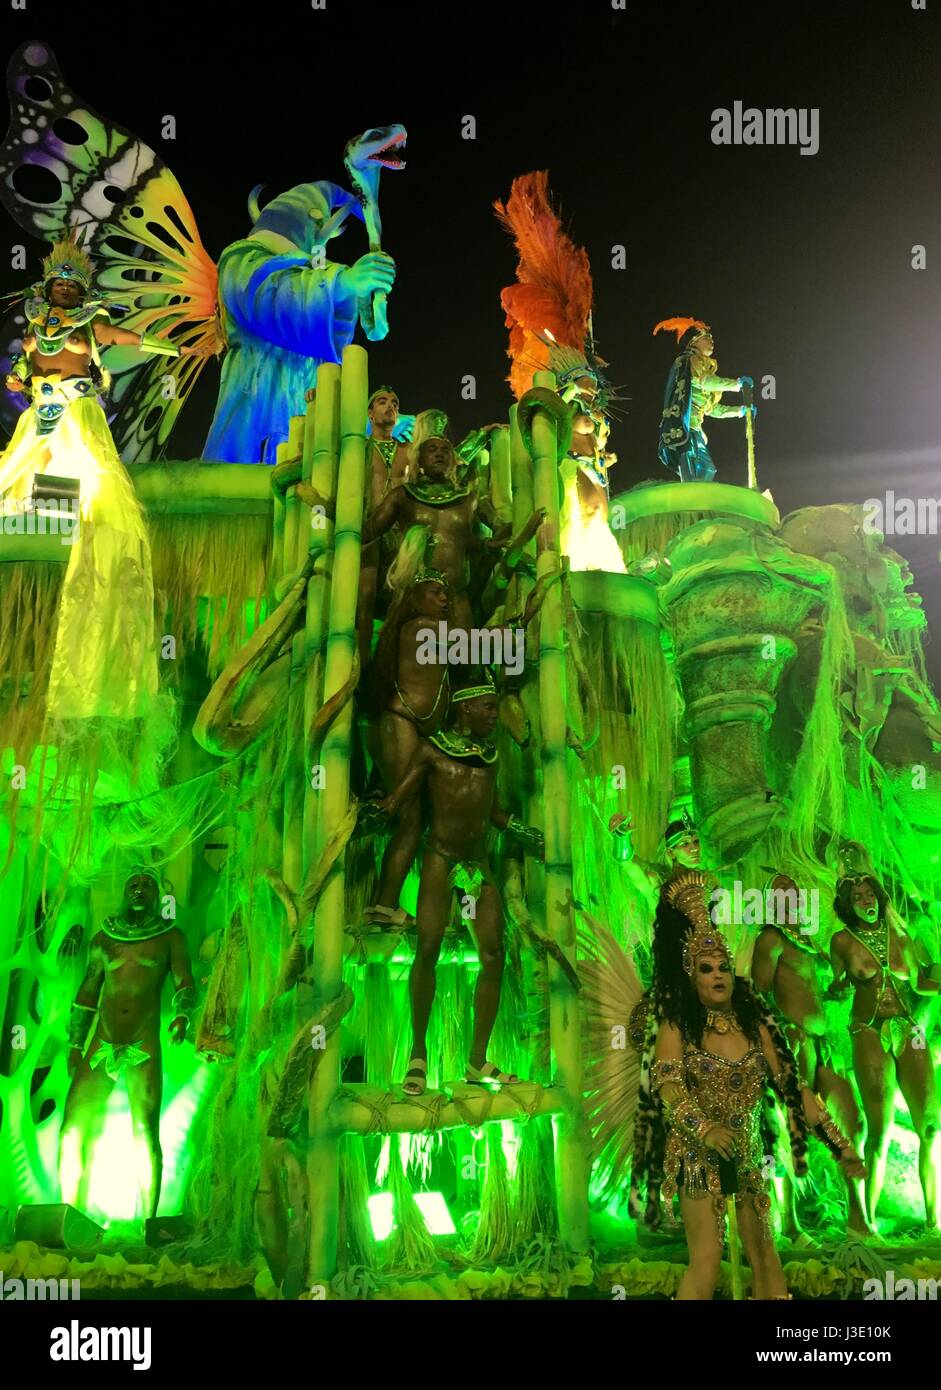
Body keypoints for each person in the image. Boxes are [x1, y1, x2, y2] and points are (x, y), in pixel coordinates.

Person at [1, 235, 193, 727]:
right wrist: (20, 378)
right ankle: (42, 538)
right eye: (58, 284)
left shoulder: (92, 324)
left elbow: (126, 340)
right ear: (47, 287)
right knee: (14, 490)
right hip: (37, 420)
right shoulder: (33, 326)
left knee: (101, 501)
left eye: (72, 286)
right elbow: (24, 370)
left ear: (82, 293)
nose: (64, 291)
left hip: (79, 418)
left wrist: (171, 347)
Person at [648, 871, 848, 1299]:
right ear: (692, 975)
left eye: (723, 966)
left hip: (750, 1156)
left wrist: (838, 1144)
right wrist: (706, 1130)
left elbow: (791, 1085)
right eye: (706, 969)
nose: (718, 975)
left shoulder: (754, 1024)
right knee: (707, 1259)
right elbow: (666, 1087)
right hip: (698, 1156)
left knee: (764, 1253)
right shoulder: (677, 1024)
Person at [377, 670, 543, 1095]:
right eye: (488, 708)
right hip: (440, 861)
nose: (494, 716)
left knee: (492, 953)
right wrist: (379, 810)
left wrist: (529, 834)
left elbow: (496, 814)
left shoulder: (490, 757)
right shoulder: (432, 752)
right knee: (428, 948)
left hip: (475, 866)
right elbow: (400, 798)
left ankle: (477, 1060)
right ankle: (417, 1055)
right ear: (465, 708)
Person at [59, 871, 195, 1221]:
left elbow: (184, 982)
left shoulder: (170, 938)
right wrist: (76, 1043)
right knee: (73, 1126)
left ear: (156, 894)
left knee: (145, 1131)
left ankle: (148, 1222)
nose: (139, 890)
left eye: (147, 885)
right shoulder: (104, 940)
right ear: (124, 892)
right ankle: (69, 1215)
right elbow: (88, 992)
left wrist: (182, 1016)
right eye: (132, 884)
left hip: (142, 1042)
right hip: (103, 1039)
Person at [751, 871, 871, 1238]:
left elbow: (811, 990)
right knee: (791, 1131)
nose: (791, 898)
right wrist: (782, 1034)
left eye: (794, 892)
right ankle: (788, 1225)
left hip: (824, 1046)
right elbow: (756, 994)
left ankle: (858, 1219)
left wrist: (835, 991)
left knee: (854, 1121)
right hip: (793, 1045)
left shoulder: (808, 943)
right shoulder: (770, 940)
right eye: (782, 893)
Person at [829, 874, 941, 1232]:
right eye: (858, 897)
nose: (866, 901)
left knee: (931, 1127)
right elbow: (838, 985)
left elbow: (921, 984)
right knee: (880, 1131)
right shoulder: (842, 941)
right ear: (848, 906)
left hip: (909, 1029)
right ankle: (868, 1222)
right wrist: (835, 987)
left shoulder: (901, 937)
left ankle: (932, 1222)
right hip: (868, 1030)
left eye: (869, 894)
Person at [364, 570, 451, 928]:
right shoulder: (420, 629)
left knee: (418, 820)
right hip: (400, 724)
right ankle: (383, 907)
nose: (444, 599)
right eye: (436, 593)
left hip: (414, 730)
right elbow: (477, 645)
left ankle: (385, 905)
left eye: (446, 594)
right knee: (411, 819)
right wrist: (516, 633)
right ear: (416, 598)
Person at [653, 318, 754, 482]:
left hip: (694, 429)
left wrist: (740, 411)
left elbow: (711, 408)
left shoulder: (703, 367)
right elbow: (706, 382)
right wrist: (736, 385)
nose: (711, 342)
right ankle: (691, 502)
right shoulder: (688, 361)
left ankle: (696, 499)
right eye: (706, 338)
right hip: (685, 427)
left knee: (707, 469)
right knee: (693, 471)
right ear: (694, 341)